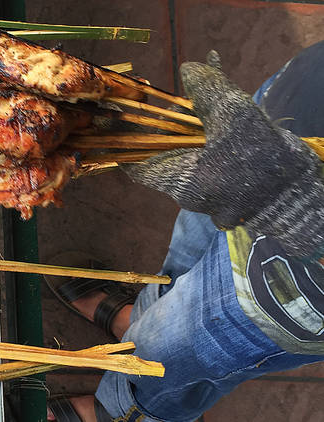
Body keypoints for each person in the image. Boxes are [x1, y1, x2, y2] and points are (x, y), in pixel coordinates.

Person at [47, 43, 324, 422]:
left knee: (183, 351)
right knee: (193, 245)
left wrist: (303, 216)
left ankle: (118, 410)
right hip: (292, 119)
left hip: (300, 279)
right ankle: (142, 319)